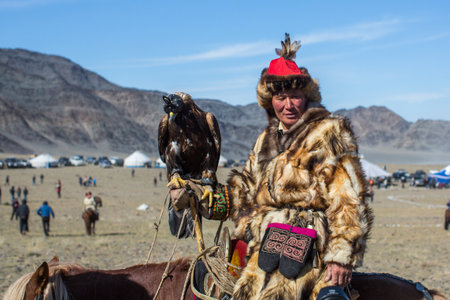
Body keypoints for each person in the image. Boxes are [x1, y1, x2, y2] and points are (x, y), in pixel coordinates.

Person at [169, 34, 373, 300]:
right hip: (264, 245)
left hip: (311, 251)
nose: (288, 105)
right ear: (270, 100)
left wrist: (342, 256)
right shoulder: (265, 140)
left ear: (307, 97)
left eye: (295, 96)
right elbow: (243, 193)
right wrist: (200, 196)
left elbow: (348, 199)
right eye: (281, 97)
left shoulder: (329, 133)